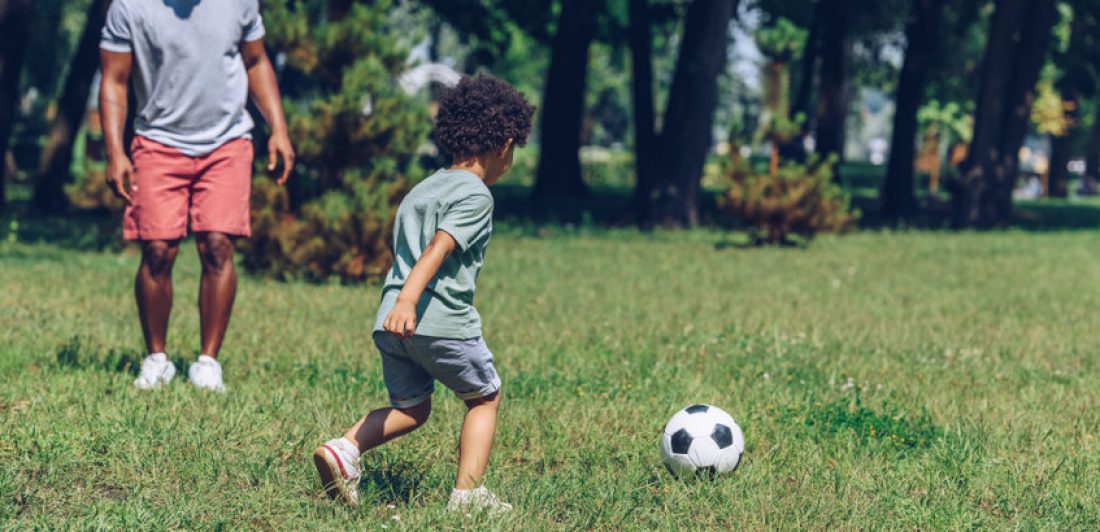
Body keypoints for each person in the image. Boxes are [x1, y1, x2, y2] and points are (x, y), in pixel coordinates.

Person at [312, 75, 534, 513]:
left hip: (389, 324)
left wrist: (397, 303)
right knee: (483, 397)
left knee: (413, 408)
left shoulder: (422, 189)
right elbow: (438, 249)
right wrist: (410, 300)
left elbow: (404, 249)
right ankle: (467, 497)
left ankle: (345, 448)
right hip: (435, 320)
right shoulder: (476, 194)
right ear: (505, 144)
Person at [99, 0, 294, 391]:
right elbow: (114, 80)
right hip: (157, 140)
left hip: (226, 141)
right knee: (157, 249)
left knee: (218, 245)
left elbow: (256, 62)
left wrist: (278, 128)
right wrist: (115, 151)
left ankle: (207, 362)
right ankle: (157, 359)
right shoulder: (129, 7)